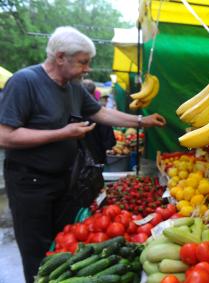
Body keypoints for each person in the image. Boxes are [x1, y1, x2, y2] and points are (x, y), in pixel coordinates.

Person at [0, 26, 166, 283]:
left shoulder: (73, 87)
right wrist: (62, 133)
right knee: (36, 251)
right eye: (83, 62)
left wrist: (141, 121)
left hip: (64, 181)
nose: (87, 69)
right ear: (60, 57)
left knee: (62, 248)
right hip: (29, 184)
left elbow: (100, 114)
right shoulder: (25, 82)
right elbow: (4, 136)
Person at [81, 79, 116, 164]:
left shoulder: (74, 108)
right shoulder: (100, 112)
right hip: (97, 158)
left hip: (76, 160)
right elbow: (110, 142)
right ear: (94, 92)